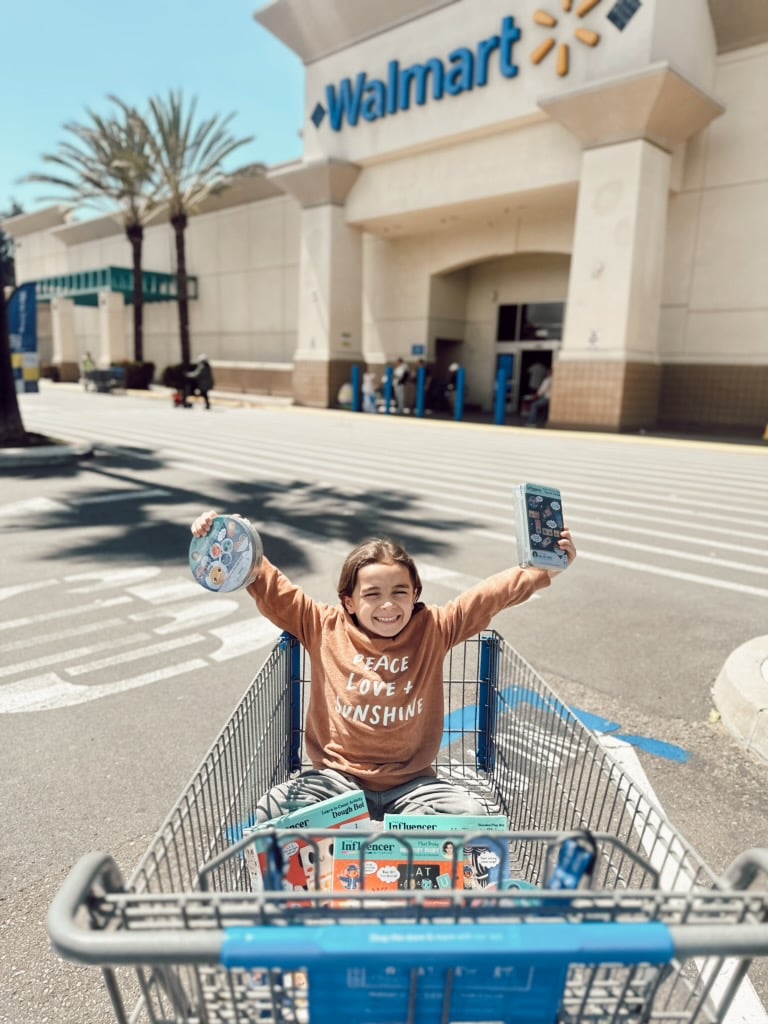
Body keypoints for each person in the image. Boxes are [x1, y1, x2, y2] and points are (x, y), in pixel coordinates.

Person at [190, 511, 576, 822]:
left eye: (399, 593)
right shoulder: (322, 625)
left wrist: (546, 569)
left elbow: (488, 598)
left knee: (471, 815)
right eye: (372, 595)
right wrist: (223, 535)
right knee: (271, 811)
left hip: (413, 785)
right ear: (350, 601)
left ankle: (403, 865)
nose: (388, 606)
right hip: (336, 781)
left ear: (416, 595)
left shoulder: (435, 629)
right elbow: (271, 585)